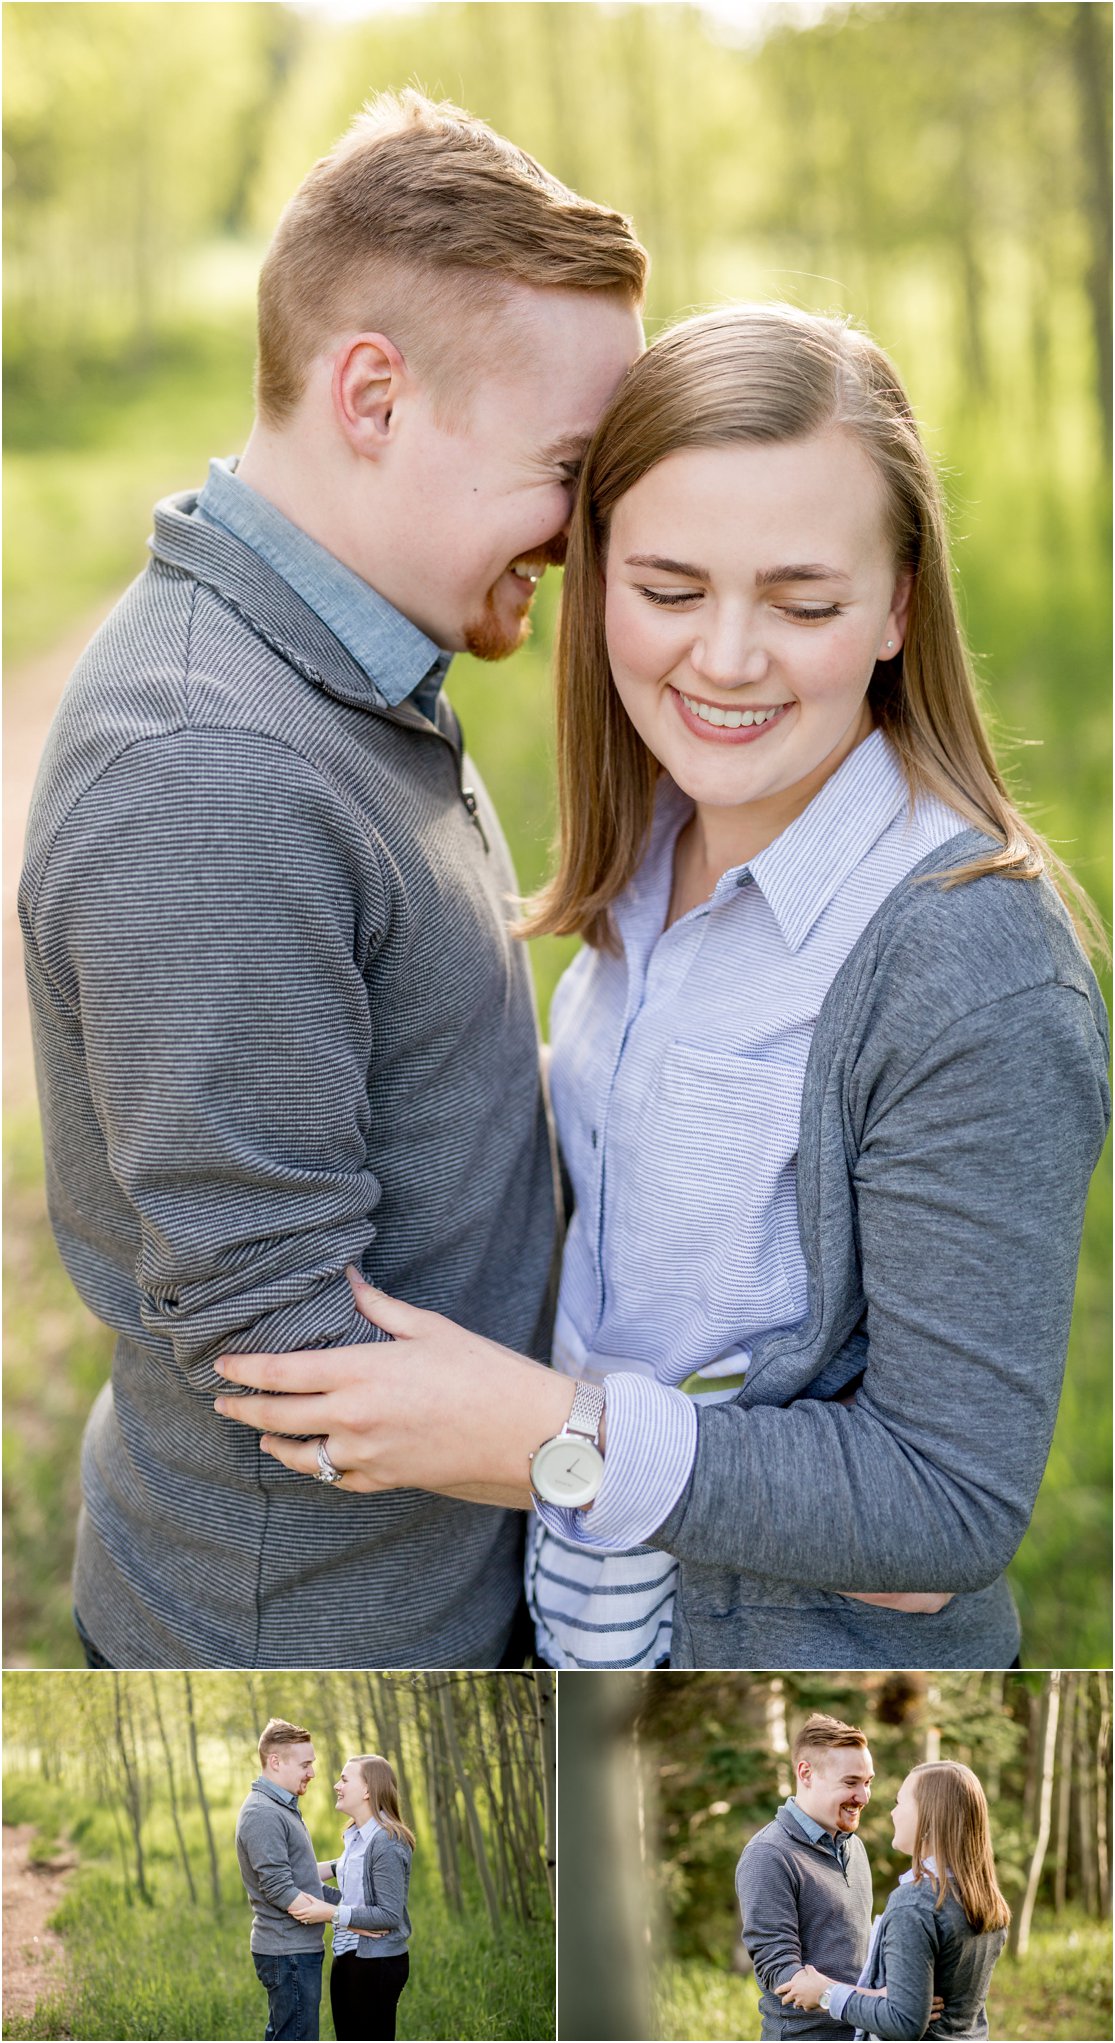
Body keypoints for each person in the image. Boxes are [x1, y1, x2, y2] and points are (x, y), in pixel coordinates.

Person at [214, 301, 1110, 1672]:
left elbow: (945, 1497)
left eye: (802, 600)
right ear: (596, 577)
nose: (729, 657)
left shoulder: (965, 962)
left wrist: (544, 1436)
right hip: (579, 1639)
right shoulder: (651, 851)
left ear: (896, 606)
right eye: (670, 589)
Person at [19, 90, 645, 1669]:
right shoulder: (208, 764)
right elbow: (285, 1342)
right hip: (326, 1635)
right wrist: (622, 1461)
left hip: (431, 1593)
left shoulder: (341, 668)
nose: (583, 533)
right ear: (373, 393)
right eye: (566, 464)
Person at [777, 1759, 1010, 2040]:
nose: (893, 1813)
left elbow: (904, 2021)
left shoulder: (915, 1902)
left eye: (900, 1803)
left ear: (927, 1817)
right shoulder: (980, 1898)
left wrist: (827, 1995)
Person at [735, 1714, 877, 2043]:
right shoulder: (769, 1854)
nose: (864, 1796)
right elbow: (781, 1973)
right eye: (851, 1782)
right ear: (806, 1774)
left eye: (868, 1782)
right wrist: (871, 2002)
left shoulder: (855, 1847)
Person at [291, 1754, 415, 2043]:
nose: (337, 1785)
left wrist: (329, 1913)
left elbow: (388, 1915)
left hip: (377, 1963)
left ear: (368, 1790)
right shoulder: (356, 1838)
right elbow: (351, 1899)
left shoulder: (387, 1842)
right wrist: (298, 1884)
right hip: (348, 1957)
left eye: (345, 1779)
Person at [235, 1719, 327, 2042]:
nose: (312, 1773)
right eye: (305, 1764)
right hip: (288, 1952)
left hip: (295, 1951)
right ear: (275, 1762)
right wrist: (340, 1917)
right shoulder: (263, 1813)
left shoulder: (280, 1807)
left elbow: (299, 1873)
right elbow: (279, 1888)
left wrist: (343, 1871)